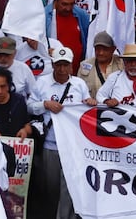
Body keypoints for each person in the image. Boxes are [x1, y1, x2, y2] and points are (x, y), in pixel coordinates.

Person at [28, 46, 95, 218]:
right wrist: (45, 104)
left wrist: (89, 102)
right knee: (50, 187)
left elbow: (85, 110)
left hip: (73, 146)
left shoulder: (79, 85)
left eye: (65, 65)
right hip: (50, 144)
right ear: (53, 64)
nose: (62, 69)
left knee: (69, 188)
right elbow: (29, 106)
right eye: (58, 65)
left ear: (72, 66)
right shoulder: (41, 82)